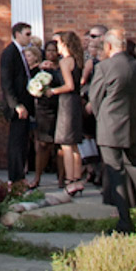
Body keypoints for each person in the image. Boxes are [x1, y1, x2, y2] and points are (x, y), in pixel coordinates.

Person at [88, 29, 136, 233]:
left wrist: (102, 118)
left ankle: (124, 221)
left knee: (115, 172)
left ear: (108, 46)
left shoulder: (105, 67)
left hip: (110, 124)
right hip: (131, 121)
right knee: (134, 166)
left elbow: (95, 97)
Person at [50, 31, 85, 196]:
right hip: (77, 103)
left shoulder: (65, 61)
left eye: (58, 43)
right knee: (75, 144)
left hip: (67, 103)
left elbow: (69, 85)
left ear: (64, 44)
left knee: (66, 144)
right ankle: (78, 179)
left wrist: (52, 91)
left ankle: (70, 180)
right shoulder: (77, 60)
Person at [0, 21, 34, 183]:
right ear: (17, 34)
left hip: (24, 103)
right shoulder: (10, 52)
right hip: (17, 105)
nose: (30, 37)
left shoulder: (20, 52)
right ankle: (15, 177)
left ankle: (19, 175)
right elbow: (6, 82)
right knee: (16, 142)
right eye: (27, 34)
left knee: (21, 142)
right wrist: (16, 104)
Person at [28, 39, 62, 189]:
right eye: (48, 50)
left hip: (59, 106)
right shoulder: (40, 69)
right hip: (43, 109)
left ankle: (62, 177)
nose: (51, 53)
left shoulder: (62, 68)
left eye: (54, 50)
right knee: (43, 144)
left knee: (60, 144)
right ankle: (37, 177)